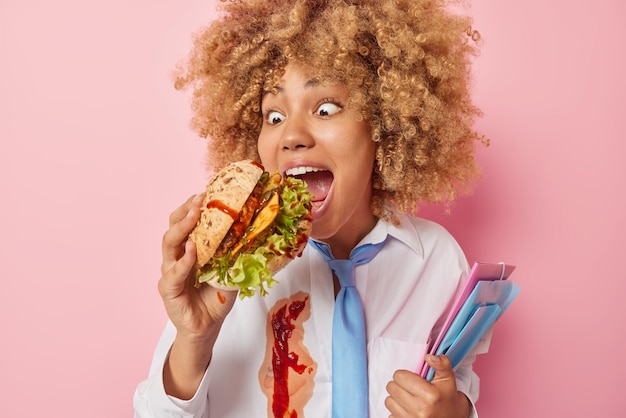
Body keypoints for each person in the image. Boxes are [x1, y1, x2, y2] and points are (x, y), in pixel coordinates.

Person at [134, 0, 490, 416]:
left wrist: (457, 412)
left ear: (385, 124)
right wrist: (193, 340)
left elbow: (456, 383)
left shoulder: (438, 261)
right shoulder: (227, 274)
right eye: (273, 116)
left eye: (325, 109)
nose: (292, 136)